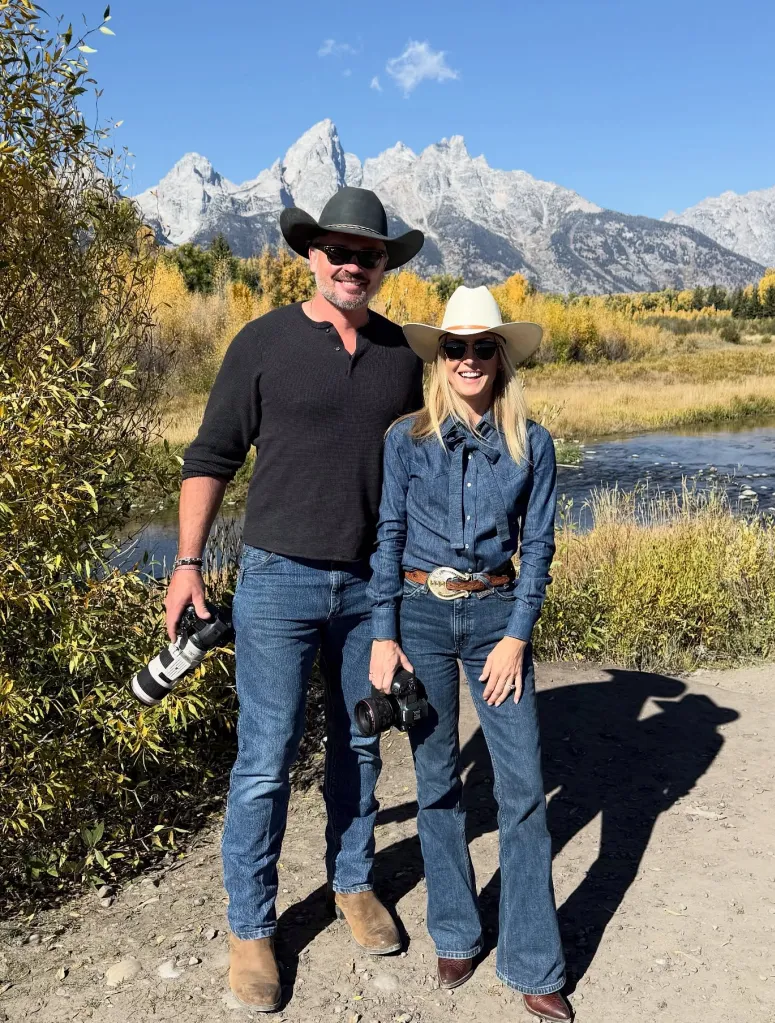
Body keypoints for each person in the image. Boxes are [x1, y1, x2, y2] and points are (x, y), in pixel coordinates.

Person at [165, 188, 425, 1012]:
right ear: (311, 255)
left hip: (369, 586)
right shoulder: (263, 341)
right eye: (339, 251)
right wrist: (185, 562)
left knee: (359, 744)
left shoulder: (398, 354)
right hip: (276, 580)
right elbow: (210, 456)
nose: (353, 264)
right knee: (264, 757)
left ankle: (352, 882)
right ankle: (251, 927)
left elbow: (417, 474)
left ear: (385, 265)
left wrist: (419, 581)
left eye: (369, 254)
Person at [368, 286, 572, 1021]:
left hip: (494, 618)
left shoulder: (532, 443)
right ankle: (455, 930)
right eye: (453, 347)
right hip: (419, 616)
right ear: (438, 358)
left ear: (501, 357)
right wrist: (383, 632)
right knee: (436, 784)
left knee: (521, 793)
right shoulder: (406, 439)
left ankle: (533, 961)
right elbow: (387, 537)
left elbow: (539, 547)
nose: (466, 359)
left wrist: (517, 635)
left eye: (481, 346)